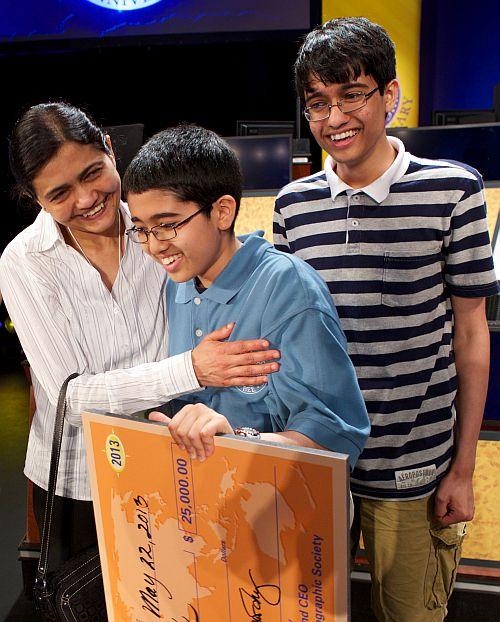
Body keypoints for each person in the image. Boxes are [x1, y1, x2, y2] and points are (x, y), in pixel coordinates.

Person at [273, 17, 500, 622]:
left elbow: (472, 335)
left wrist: (463, 468)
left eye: (353, 94)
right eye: (318, 102)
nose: (335, 117)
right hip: (317, 460)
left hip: (414, 461)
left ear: (390, 95)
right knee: (311, 610)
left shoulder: (453, 191)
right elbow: (287, 337)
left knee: (411, 614)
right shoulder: (292, 206)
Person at [0, 103, 280, 564]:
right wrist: (190, 369)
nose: (87, 198)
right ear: (35, 199)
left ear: (110, 150)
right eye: (59, 193)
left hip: (178, 463)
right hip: (81, 480)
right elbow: (70, 399)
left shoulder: (161, 225)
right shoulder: (25, 262)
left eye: (93, 173)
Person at [122, 124, 370, 469]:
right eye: (141, 229)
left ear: (222, 212)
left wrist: (235, 440)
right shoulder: (176, 282)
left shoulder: (288, 288)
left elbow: (335, 436)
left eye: (167, 225)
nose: (153, 245)